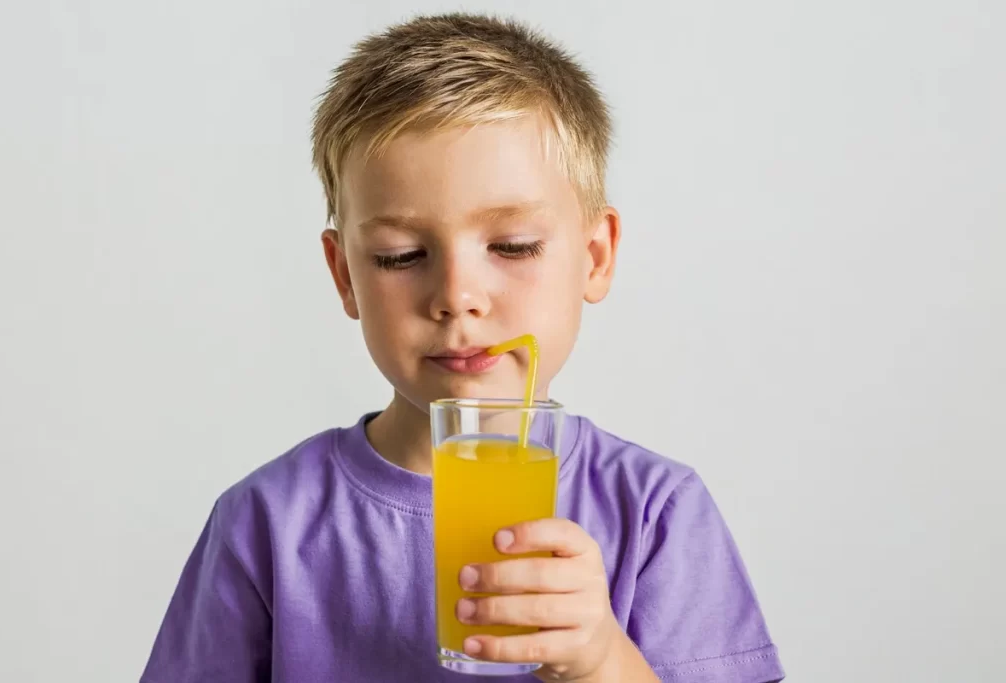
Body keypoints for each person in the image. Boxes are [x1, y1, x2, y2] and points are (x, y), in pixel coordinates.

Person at [140, 12, 785, 683]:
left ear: (595, 257)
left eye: (512, 246)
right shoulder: (265, 523)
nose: (457, 296)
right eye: (400, 255)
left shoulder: (656, 512)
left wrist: (601, 658)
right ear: (344, 275)